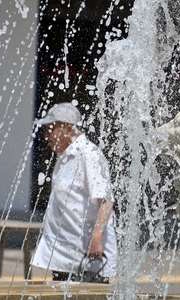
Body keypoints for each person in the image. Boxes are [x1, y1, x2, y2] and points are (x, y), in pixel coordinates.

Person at [31, 102, 117, 283]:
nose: (47, 136)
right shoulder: (64, 156)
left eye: (50, 129)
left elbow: (107, 200)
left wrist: (97, 237)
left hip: (87, 259)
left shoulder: (89, 154)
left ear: (68, 129)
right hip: (64, 258)